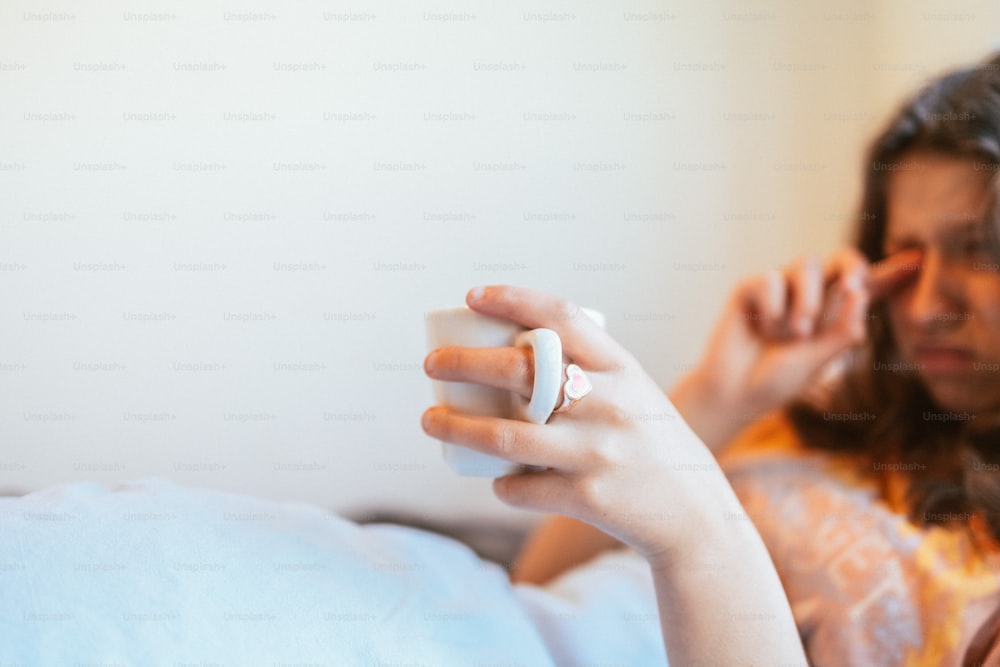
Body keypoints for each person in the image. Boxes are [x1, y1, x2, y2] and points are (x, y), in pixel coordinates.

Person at [422, 51, 1000, 665]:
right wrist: (722, 396)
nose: (925, 307)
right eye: (907, 256)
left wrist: (698, 538)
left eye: (979, 251)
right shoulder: (820, 422)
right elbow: (542, 582)